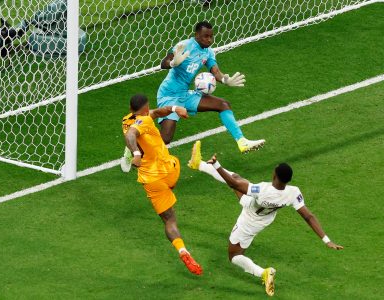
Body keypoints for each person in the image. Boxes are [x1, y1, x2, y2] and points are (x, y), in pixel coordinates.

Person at [187, 141, 343, 296]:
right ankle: (198, 164)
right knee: (236, 176)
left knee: (234, 256)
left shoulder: (262, 190)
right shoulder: (293, 192)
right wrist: (326, 240)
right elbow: (308, 216)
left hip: (249, 220)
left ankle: (263, 272)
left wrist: (217, 165)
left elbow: (233, 184)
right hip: (263, 218)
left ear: (275, 175)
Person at [120, 21, 265, 172]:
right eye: (205, 36)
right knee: (166, 138)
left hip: (184, 94)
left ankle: (242, 141)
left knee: (223, 104)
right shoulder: (184, 46)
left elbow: (215, 72)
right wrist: (173, 63)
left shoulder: (208, 52)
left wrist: (225, 80)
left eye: (211, 36)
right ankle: (132, 150)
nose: (209, 40)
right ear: (196, 35)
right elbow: (164, 63)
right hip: (168, 95)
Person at [122, 94, 202, 275]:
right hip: (169, 170)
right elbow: (133, 133)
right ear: (144, 108)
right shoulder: (142, 122)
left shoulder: (127, 120)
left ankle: (183, 250)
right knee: (174, 161)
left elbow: (156, 113)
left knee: (169, 219)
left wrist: (175, 109)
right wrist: (135, 153)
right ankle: (202, 165)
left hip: (150, 180)